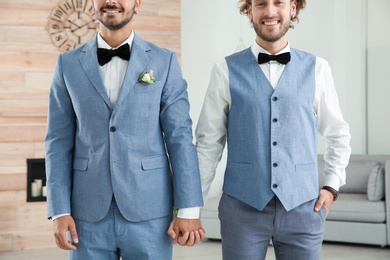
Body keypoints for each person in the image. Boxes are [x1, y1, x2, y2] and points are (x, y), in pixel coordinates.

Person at [45, 0, 205, 259]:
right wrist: (59, 211)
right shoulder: (68, 64)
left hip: (150, 211)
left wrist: (188, 209)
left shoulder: (164, 62)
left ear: (137, 3)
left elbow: (180, 137)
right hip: (86, 215)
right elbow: (57, 141)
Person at [195, 0, 351, 259]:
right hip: (241, 208)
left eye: (278, 2)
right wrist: (192, 206)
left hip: (304, 208)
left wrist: (332, 186)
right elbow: (208, 144)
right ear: (249, 10)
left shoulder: (318, 69)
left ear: (293, 8)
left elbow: (338, 133)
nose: (270, 11)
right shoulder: (224, 70)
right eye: (260, 4)